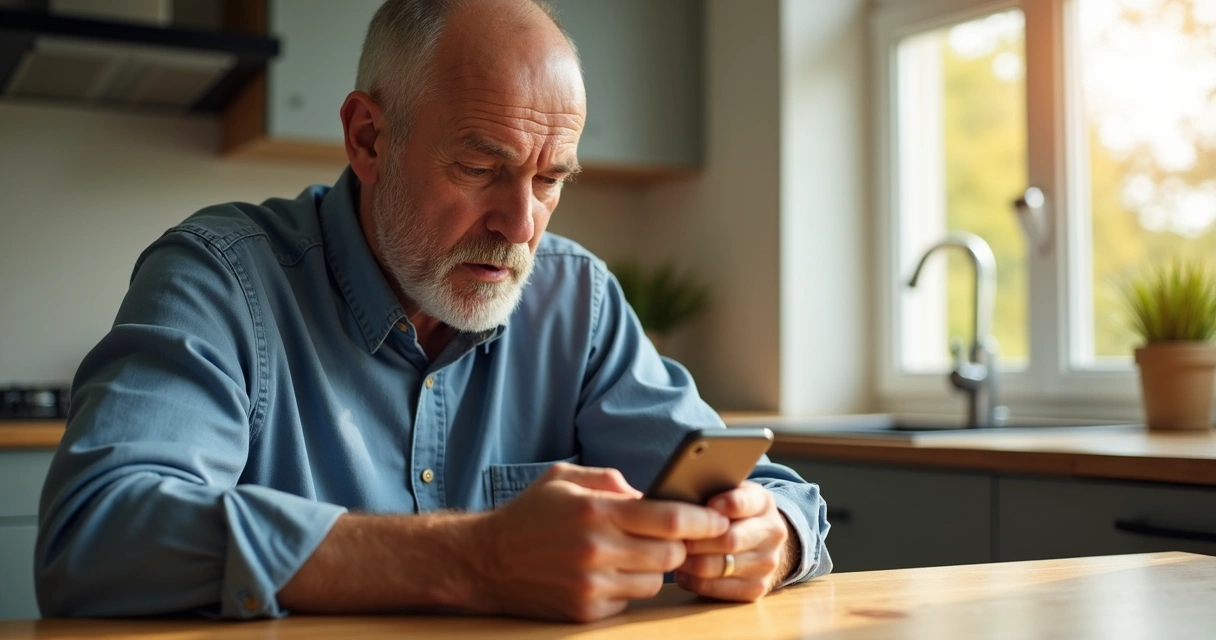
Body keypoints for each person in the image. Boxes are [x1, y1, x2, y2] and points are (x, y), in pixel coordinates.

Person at [34, 0, 831, 623]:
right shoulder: (222, 278)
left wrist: (767, 537)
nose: (521, 225)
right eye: (481, 167)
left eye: (550, 180)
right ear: (368, 139)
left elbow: (770, 491)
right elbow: (96, 538)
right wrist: (477, 557)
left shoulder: (577, 301)